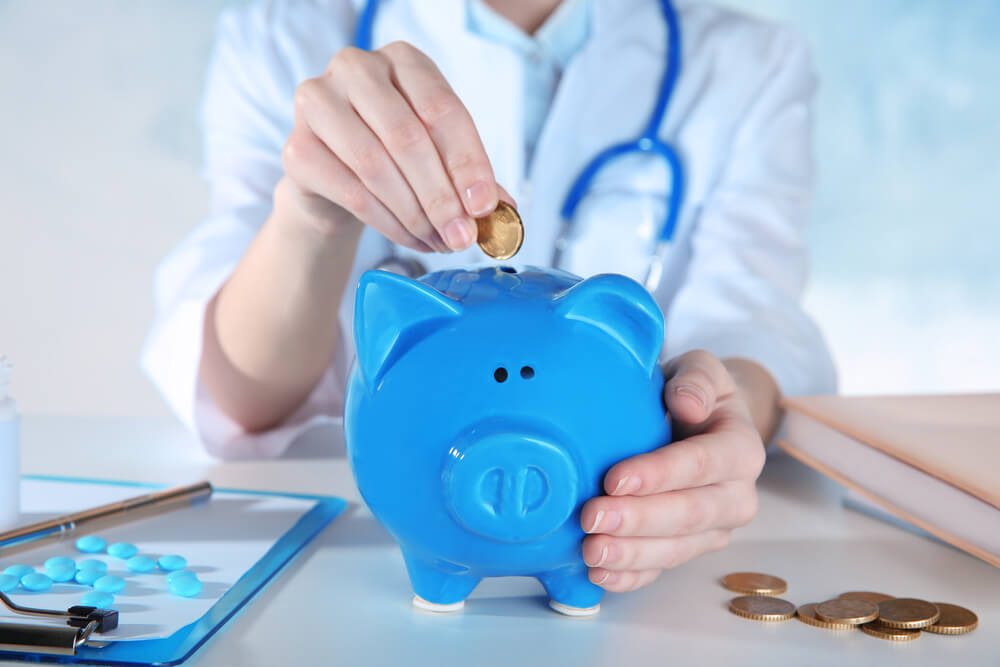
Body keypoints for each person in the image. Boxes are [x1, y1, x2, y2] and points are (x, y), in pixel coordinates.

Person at [142, 0, 836, 595]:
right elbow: (240, 395)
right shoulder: (282, 34)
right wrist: (311, 216)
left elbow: (752, 311)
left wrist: (727, 406)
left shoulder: (750, 63)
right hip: (335, 554)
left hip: (620, 551)